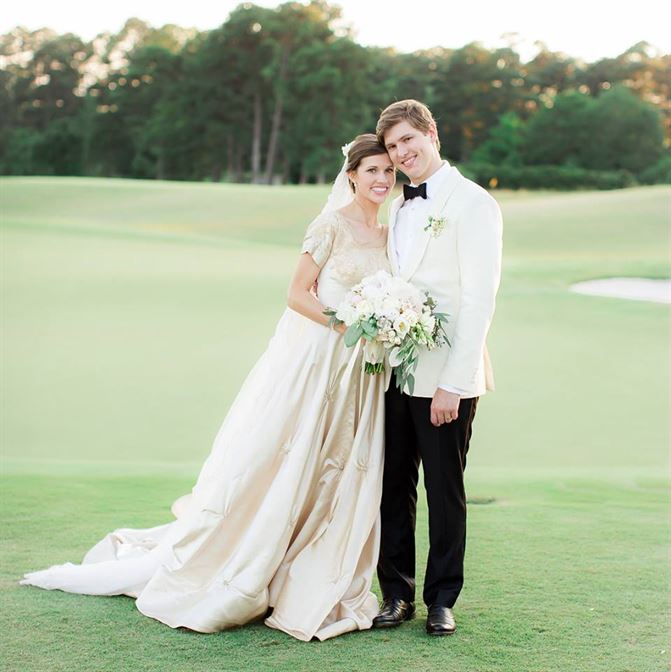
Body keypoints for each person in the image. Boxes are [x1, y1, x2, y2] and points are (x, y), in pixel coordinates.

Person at [21, 134, 396, 642]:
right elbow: (296, 294)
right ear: (351, 175)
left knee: (340, 467)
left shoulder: (391, 231)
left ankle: (315, 566)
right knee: (291, 457)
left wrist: (385, 326)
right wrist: (348, 323)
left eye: (388, 172)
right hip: (321, 361)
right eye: (371, 170)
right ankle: (249, 562)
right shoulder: (330, 224)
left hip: (364, 375)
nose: (380, 180)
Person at [371, 100, 503, 636]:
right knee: (391, 486)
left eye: (408, 140)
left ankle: (442, 598)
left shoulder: (473, 202)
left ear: (431, 134)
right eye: (394, 148)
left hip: (447, 377)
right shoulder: (398, 206)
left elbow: (479, 298)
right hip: (396, 370)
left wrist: (453, 382)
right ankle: (395, 595)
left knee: (444, 490)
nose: (402, 155)